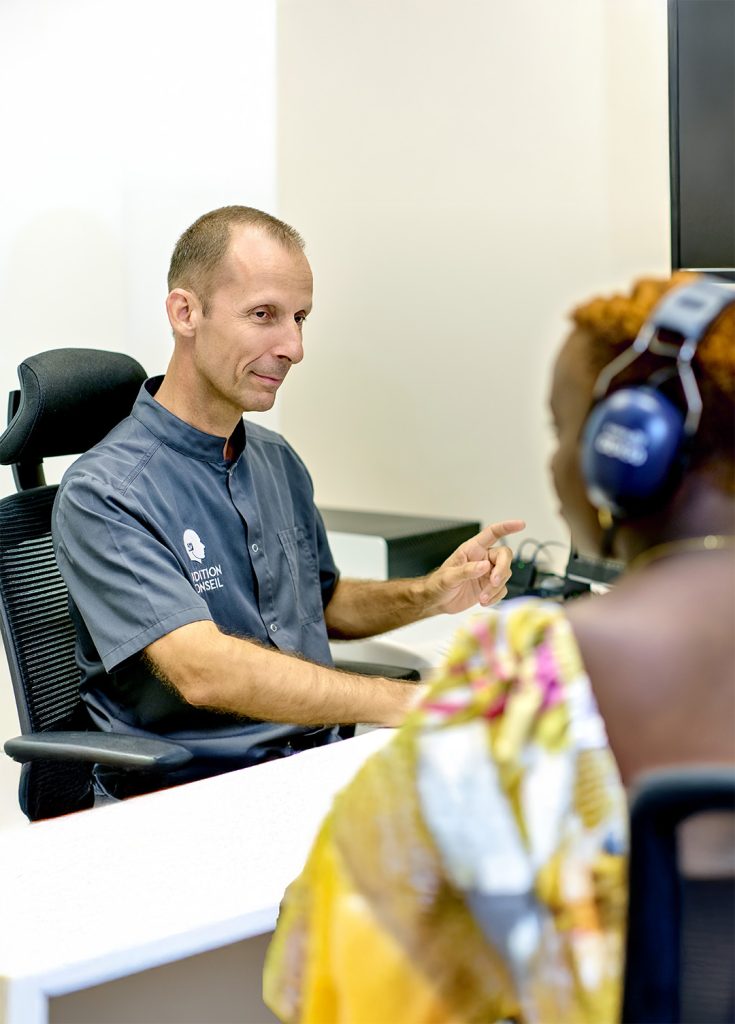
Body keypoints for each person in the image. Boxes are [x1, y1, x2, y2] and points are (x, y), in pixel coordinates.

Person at [263, 272, 735, 1023]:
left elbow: (346, 936)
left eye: (562, 432)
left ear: (628, 449)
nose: (555, 467)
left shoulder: (532, 673)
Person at [51, 205, 524, 793]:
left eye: (299, 317)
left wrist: (430, 593)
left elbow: (319, 604)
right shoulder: (105, 492)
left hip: (313, 763)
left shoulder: (275, 459)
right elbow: (204, 671)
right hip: (201, 793)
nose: (294, 347)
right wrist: (408, 700)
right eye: (263, 315)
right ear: (185, 312)